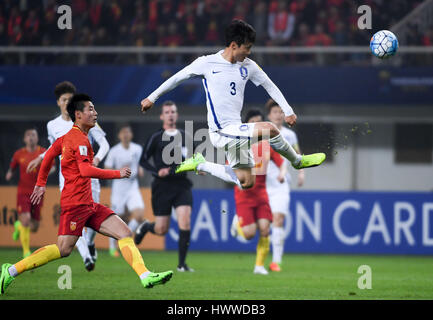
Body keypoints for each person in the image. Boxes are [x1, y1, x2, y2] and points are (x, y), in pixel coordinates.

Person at [0, 94, 173, 295]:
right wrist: (117, 173)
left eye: (94, 109)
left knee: (124, 232)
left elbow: (48, 156)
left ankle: (145, 275)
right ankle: (10, 270)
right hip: (75, 206)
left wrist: (40, 184)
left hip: (88, 204)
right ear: (78, 114)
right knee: (63, 249)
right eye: (90, 109)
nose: (95, 113)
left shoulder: (66, 138)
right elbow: (85, 170)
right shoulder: (78, 139)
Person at [140, 20, 325, 192]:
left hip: (236, 129)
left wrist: (288, 110)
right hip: (221, 131)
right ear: (234, 45)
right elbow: (177, 78)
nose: (249, 52)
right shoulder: (206, 63)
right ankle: (297, 161)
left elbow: (269, 85)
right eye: (247, 48)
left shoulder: (249, 65)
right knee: (270, 128)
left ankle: (201, 164)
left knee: (247, 182)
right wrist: (152, 98)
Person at [26, 81, 110, 271]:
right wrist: (41, 158)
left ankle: (89, 243)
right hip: (68, 181)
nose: (67, 103)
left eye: (70, 99)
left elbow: (104, 144)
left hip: (89, 177)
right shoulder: (52, 125)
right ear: (58, 102)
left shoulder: (86, 119)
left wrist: (96, 159)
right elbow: (53, 148)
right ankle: (87, 257)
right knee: (75, 220)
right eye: (63, 100)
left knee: (93, 214)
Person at [135, 101, 194, 272]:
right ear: (162, 116)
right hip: (162, 187)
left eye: (173, 111)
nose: (170, 114)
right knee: (161, 229)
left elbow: (194, 157)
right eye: (167, 112)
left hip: (182, 185)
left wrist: (200, 167)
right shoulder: (156, 137)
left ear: (177, 115)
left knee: (185, 221)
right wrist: (156, 171)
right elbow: (143, 160)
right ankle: (147, 226)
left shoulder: (185, 136)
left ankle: (182, 265)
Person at [231, 109, 285, 275]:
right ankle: (236, 225)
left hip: (261, 193)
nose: (256, 126)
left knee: (264, 229)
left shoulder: (267, 145)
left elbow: (281, 161)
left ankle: (259, 266)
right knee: (248, 234)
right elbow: (230, 168)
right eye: (253, 122)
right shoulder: (238, 144)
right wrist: (239, 179)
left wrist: (282, 173)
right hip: (244, 195)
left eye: (259, 122)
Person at [265, 99, 304, 272]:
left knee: (278, 221)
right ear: (269, 115)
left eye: (281, 112)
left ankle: (276, 261)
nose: (279, 115)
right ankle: (238, 224)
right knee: (261, 225)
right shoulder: (261, 132)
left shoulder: (290, 135)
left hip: (281, 185)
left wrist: (301, 173)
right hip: (262, 185)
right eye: (275, 112)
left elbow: (297, 154)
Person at [5, 128, 55, 258]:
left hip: (38, 193)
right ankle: (26, 252)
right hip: (23, 192)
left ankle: (18, 226)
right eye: (28, 135)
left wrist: (47, 172)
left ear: (37, 138)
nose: (31, 137)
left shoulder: (43, 152)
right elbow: (12, 166)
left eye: (33, 135)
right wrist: (10, 173)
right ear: (24, 139)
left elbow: (53, 166)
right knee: (26, 219)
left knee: (34, 227)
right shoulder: (19, 154)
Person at [104, 124, 145, 257]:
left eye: (128, 132)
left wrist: (140, 168)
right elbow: (106, 168)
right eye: (123, 132)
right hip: (119, 187)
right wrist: (119, 171)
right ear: (119, 135)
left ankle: (125, 239)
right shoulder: (114, 151)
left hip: (132, 185)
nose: (126, 134)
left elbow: (141, 162)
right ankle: (112, 247)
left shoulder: (137, 149)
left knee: (139, 215)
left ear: (131, 135)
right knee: (117, 218)